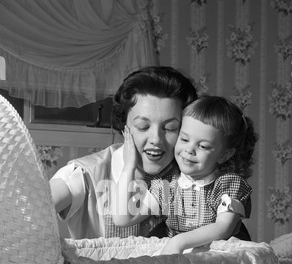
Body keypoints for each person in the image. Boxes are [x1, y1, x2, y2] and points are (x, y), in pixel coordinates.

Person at [49, 66, 197, 239]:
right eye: (143, 127)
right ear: (123, 125)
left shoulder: (192, 177)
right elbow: (29, 212)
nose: (156, 139)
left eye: (170, 128)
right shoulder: (85, 174)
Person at [112, 95, 258, 254]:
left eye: (202, 145)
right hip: (179, 261)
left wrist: (179, 242)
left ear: (224, 155)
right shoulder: (169, 184)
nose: (189, 150)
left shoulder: (227, 184)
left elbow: (223, 227)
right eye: (184, 139)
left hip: (216, 262)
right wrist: (129, 167)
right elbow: (122, 219)